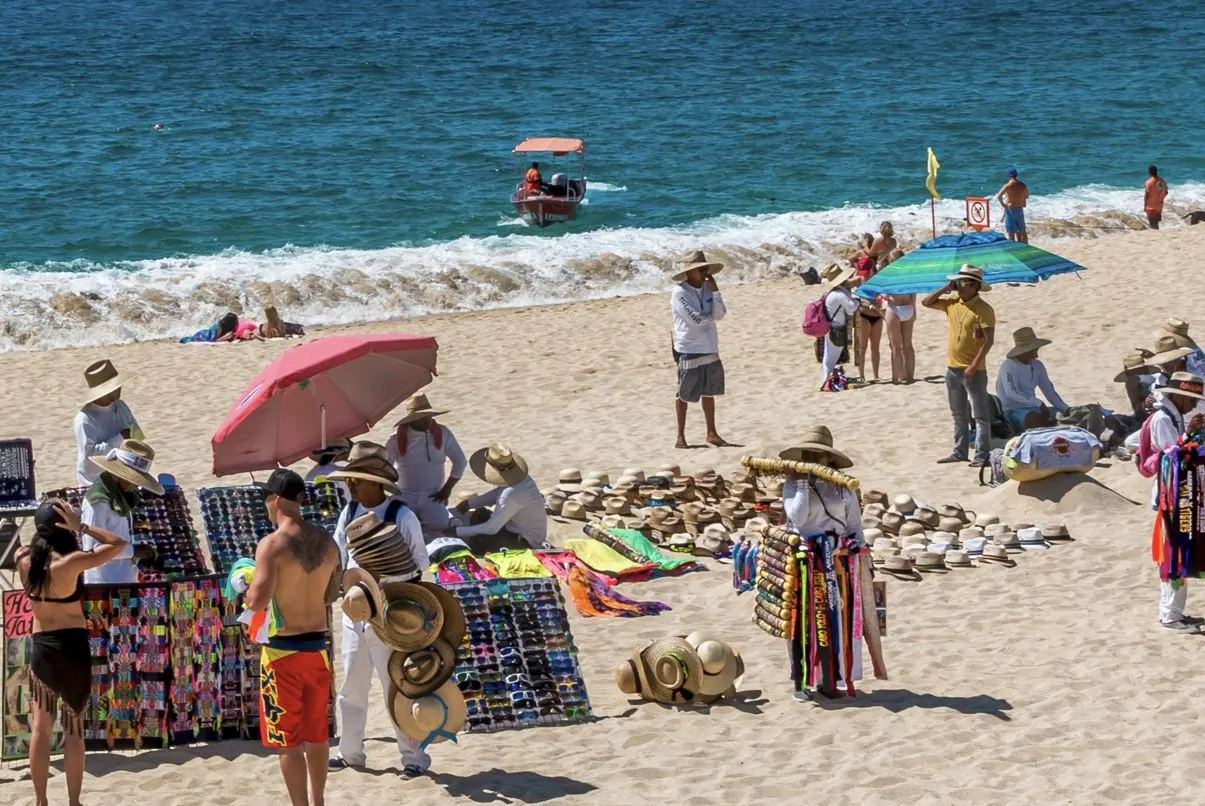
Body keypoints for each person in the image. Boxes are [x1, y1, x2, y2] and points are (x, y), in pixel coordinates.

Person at [325, 442, 431, 778]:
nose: (351, 485)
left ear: (374, 482)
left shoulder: (402, 515)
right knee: (352, 685)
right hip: (355, 612)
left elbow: (420, 563)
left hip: (390, 613)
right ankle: (350, 752)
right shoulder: (348, 513)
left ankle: (413, 758)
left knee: (395, 686)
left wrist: (387, 585)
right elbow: (339, 556)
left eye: (356, 479)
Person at [15, 499, 129, 806]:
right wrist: (82, 526)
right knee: (74, 728)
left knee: (41, 728)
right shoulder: (71, 563)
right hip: (73, 647)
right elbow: (118, 543)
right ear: (64, 530)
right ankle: (74, 801)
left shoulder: (23, 558)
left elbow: (28, 543)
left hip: (42, 647)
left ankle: (40, 801)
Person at [244, 469, 340, 806]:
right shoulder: (328, 543)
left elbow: (255, 600)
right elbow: (332, 592)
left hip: (282, 653)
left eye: (268, 497)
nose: (267, 504)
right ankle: (319, 801)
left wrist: (244, 590)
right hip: (317, 649)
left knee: (287, 741)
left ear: (277, 499)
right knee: (317, 736)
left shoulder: (272, 545)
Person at [778, 425, 865, 699]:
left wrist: (862, 558)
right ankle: (802, 681)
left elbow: (854, 524)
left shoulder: (843, 487)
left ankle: (830, 680)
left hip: (837, 561)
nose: (813, 460)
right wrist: (803, 481)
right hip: (803, 560)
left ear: (829, 459)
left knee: (835, 619)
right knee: (801, 621)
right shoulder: (791, 485)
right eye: (808, 454)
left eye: (818, 455)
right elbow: (799, 518)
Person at [1145, 373, 1205, 633]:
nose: (1193, 405)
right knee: (1174, 557)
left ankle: (1174, 612)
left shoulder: (1174, 417)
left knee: (1179, 555)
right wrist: (1189, 435)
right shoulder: (1162, 419)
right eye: (1190, 400)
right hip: (1172, 499)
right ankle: (1170, 616)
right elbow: (1172, 457)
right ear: (1178, 396)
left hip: (1181, 496)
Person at [923, 264, 996, 467]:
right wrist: (946, 287)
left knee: (980, 415)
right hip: (952, 368)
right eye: (959, 282)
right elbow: (927, 302)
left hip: (974, 370)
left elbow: (989, 341)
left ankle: (982, 456)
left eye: (964, 283)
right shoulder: (953, 302)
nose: (960, 286)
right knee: (958, 414)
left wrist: (973, 366)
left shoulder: (984, 309)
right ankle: (960, 451)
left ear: (975, 286)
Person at [670, 249, 731, 448]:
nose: (704, 271)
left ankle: (712, 433)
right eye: (700, 268)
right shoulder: (679, 292)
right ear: (690, 271)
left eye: (704, 267)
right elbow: (695, 319)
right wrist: (711, 317)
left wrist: (715, 291)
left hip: (710, 345)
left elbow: (721, 313)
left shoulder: (707, 288)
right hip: (688, 346)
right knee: (683, 392)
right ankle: (680, 436)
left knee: (709, 391)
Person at [80, 439, 163, 584]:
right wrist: (133, 551)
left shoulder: (120, 497)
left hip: (123, 579)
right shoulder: (98, 502)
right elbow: (93, 550)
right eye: (134, 480)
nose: (136, 485)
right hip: (104, 582)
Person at [385, 394, 467, 532]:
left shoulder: (443, 433)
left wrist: (447, 489)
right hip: (405, 495)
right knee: (400, 529)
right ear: (412, 420)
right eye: (422, 418)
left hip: (434, 496)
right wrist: (393, 492)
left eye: (428, 416)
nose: (427, 420)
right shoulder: (395, 440)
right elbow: (385, 467)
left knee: (440, 527)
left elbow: (460, 461)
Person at [452, 443, 547, 553]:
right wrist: (469, 503)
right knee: (480, 514)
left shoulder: (511, 493)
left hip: (526, 541)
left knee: (478, 542)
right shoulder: (520, 479)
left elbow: (491, 528)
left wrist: (457, 531)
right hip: (522, 529)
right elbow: (498, 493)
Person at [74, 359, 140, 486]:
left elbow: (136, 436)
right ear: (105, 391)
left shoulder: (121, 406)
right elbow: (90, 456)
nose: (120, 387)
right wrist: (119, 439)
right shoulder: (84, 419)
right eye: (116, 385)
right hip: (95, 484)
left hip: (124, 479)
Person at [996, 327, 1070, 432]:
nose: (1036, 353)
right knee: (1034, 420)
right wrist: (1037, 403)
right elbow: (1012, 393)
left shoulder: (1037, 365)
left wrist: (1066, 409)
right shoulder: (1008, 366)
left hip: (1033, 407)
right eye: (1033, 349)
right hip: (1012, 410)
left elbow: (1049, 391)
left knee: (1061, 415)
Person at [816, 266, 859, 388]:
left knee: (828, 355)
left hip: (829, 327)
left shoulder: (830, 294)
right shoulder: (840, 294)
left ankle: (826, 379)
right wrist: (858, 301)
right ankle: (827, 382)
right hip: (838, 329)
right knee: (832, 357)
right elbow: (851, 308)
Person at [882, 249, 916, 384]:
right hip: (908, 308)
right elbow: (913, 294)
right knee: (908, 345)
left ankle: (896, 378)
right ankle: (910, 377)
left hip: (895, 309)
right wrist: (914, 311)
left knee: (896, 347)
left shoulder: (889, 275)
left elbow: (884, 294)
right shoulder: (909, 274)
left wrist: (888, 296)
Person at [996, 167, 1029, 243]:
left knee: (1011, 234)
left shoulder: (1007, 186)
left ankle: (1014, 250)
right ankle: (1025, 248)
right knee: (1022, 232)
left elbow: (999, 196)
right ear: (1016, 175)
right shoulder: (1022, 185)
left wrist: (1003, 205)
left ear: (1009, 175)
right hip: (1019, 209)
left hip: (1010, 210)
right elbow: (1026, 195)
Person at [1144, 165, 1169, 230]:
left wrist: (1145, 206)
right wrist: (1160, 198)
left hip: (1151, 207)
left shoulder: (1148, 183)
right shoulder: (1162, 181)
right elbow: (1166, 192)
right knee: (1156, 223)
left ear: (1149, 172)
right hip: (1159, 206)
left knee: (1153, 225)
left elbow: (1146, 196)